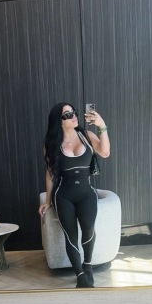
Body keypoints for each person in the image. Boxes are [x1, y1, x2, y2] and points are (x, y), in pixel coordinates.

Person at [38, 103, 110, 288]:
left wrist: (102, 126)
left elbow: (105, 152)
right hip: (63, 196)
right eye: (68, 115)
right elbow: (50, 174)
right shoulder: (51, 144)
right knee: (70, 235)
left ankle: (88, 265)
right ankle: (80, 275)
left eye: (74, 112)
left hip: (86, 194)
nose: (74, 116)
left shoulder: (87, 135)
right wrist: (47, 201)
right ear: (59, 121)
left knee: (88, 229)